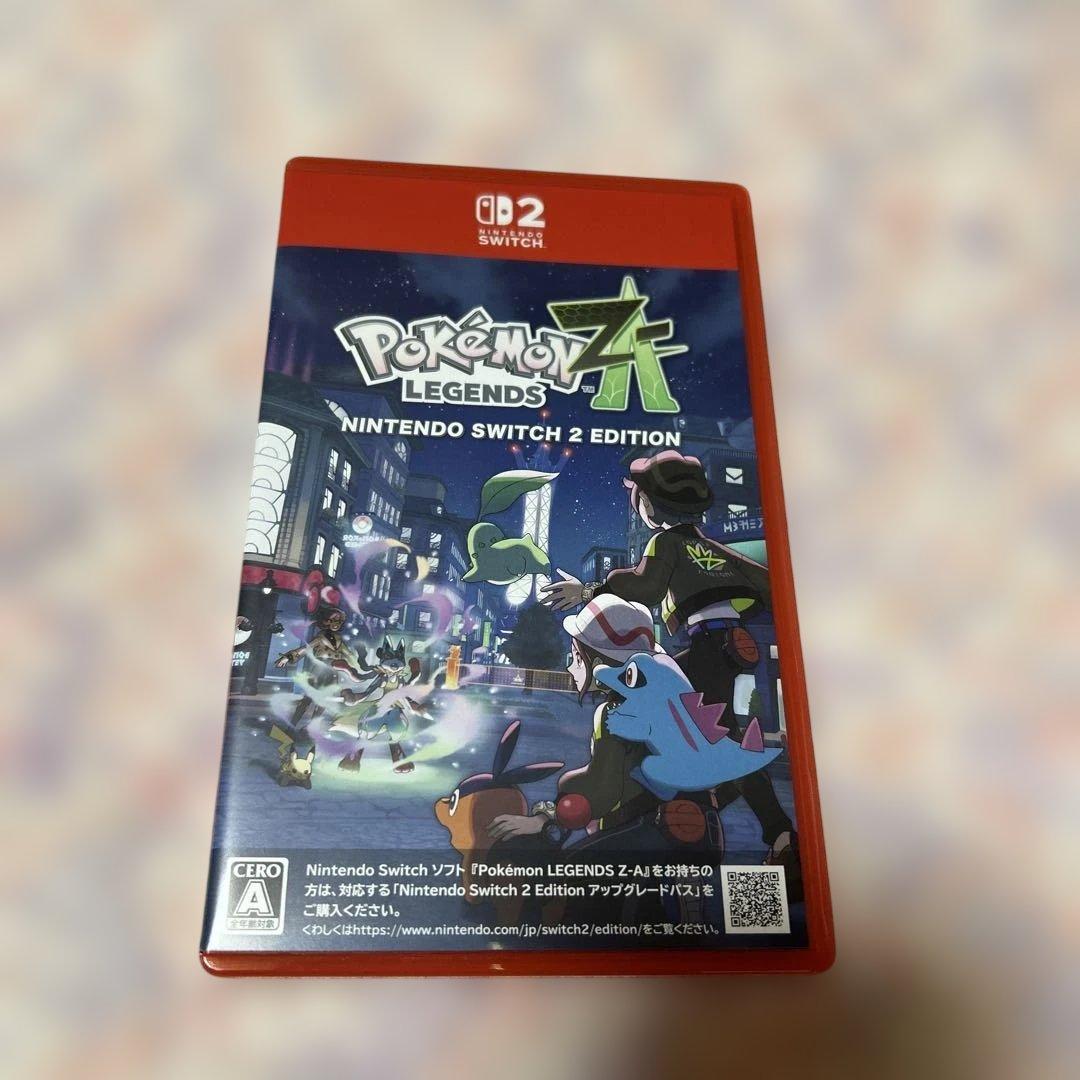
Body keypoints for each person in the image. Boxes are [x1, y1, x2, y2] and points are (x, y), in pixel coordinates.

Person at [539, 450, 799, 885]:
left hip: (707, 643)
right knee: (712, 731)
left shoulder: (665, 543)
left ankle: (675, 809)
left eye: (639, 500)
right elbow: (767, 582)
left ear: (651, 504)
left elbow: (645, 587)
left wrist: (590, 590)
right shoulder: (711, 547)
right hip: (730, 642)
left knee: (670, 713)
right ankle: (761, 827)